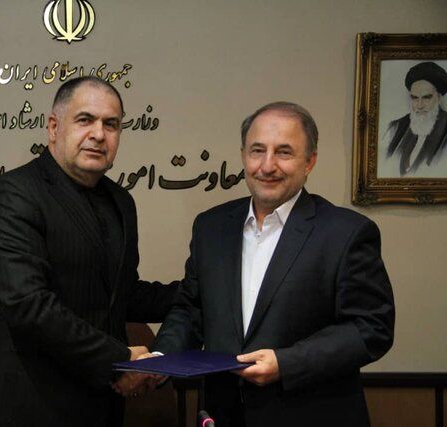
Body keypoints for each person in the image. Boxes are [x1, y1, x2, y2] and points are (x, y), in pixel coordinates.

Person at [150, 102, 395, 426]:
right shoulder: (211, 227)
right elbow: (190, 309)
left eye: (284, 152)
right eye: (257, 150)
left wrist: (286, 363)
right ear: (243, 156)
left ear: (310, 161)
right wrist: (160, 359)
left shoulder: (346, 233)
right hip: (224, 414)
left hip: (310, 416)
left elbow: (372, 328)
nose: (267, 165)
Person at [0, 76, 177, 427]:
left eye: (111, 124)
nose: (99, 134)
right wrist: (117, 360)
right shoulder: (14, 193)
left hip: (101, 408)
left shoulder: (121, 201)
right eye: (85, 120)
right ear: (54, 127)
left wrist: (202, 291)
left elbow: (120, 294)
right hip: (30, 408)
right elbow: (28, 306)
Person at [380, 61, 447, 177]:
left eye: (426, 97)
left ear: (439, 97)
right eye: (415, 98)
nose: (419, 105)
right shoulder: (395, 127)